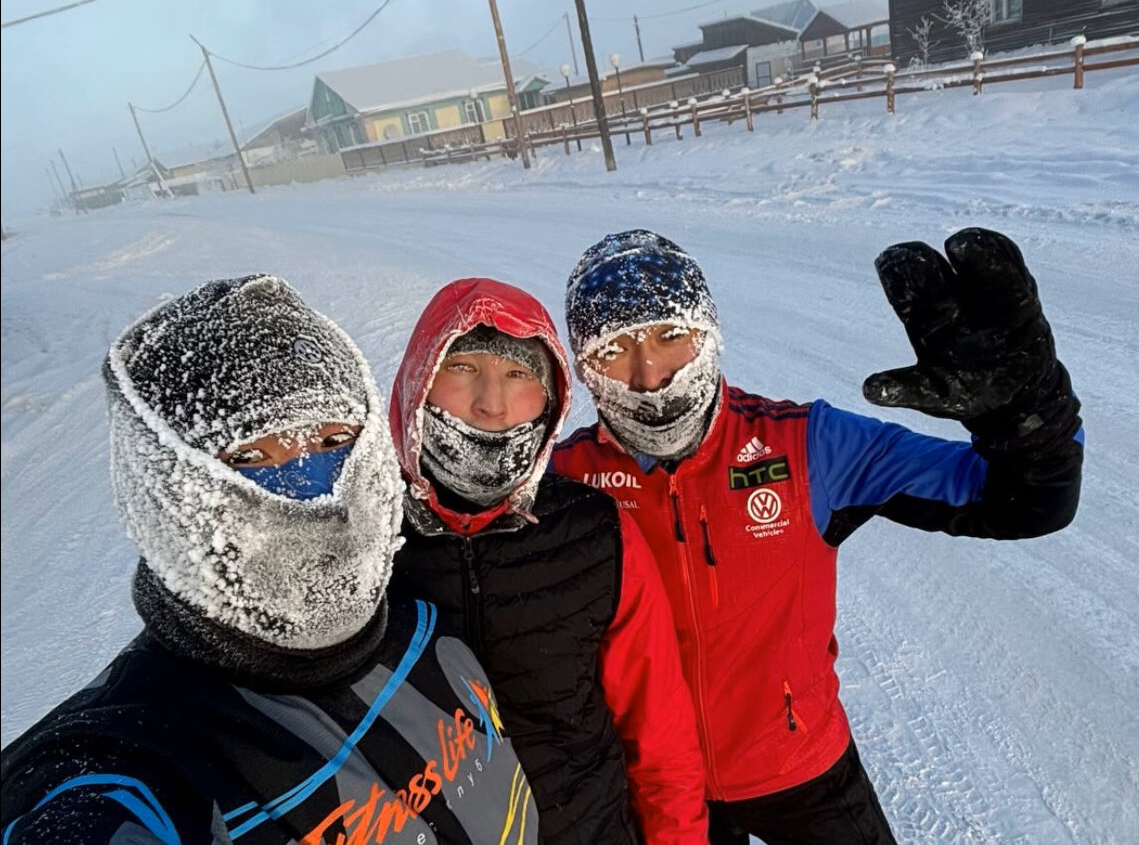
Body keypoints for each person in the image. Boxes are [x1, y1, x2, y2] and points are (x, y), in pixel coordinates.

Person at [550, 228, 1083, 845]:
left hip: (801, 768)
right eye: (614, 348)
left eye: (672, 335)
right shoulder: (564, 479)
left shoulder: (806, 446)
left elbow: (1024, 502)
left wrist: (1027, 413)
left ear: (709, 334)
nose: (649, 375)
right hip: (658, 788)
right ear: (583, 365)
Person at [1, 275, 539, 844]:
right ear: (166, 491)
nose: (314, 493)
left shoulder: (428, 633)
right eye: (252, 454)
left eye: (334, 441)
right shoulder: (126, 765)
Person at [386, 277, 709, 845]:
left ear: (553, 396)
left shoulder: (596, 532)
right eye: (462, 368)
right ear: (419, 380)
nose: (493, 404)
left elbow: (661, 741)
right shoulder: (363, 537)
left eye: (519, 374)